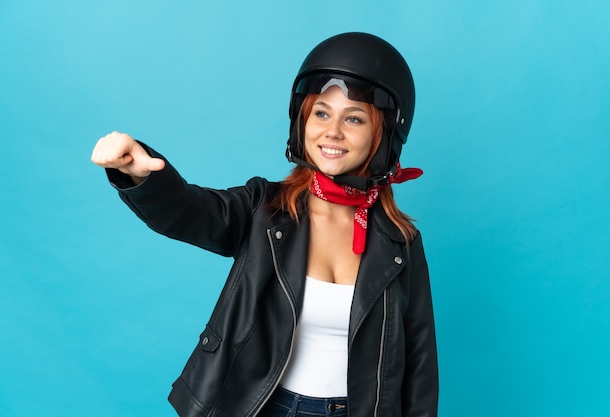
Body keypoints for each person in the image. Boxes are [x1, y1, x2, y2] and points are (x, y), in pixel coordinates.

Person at [91, 32, 438, 417]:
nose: (332, 132)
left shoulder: (400, 242)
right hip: (260, 408)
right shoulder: (264, 208)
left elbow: (419, 361)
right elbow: (191, 212)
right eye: (321, 113)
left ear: (383, 136)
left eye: (353, 118)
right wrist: (142, 175)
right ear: (302, 120)